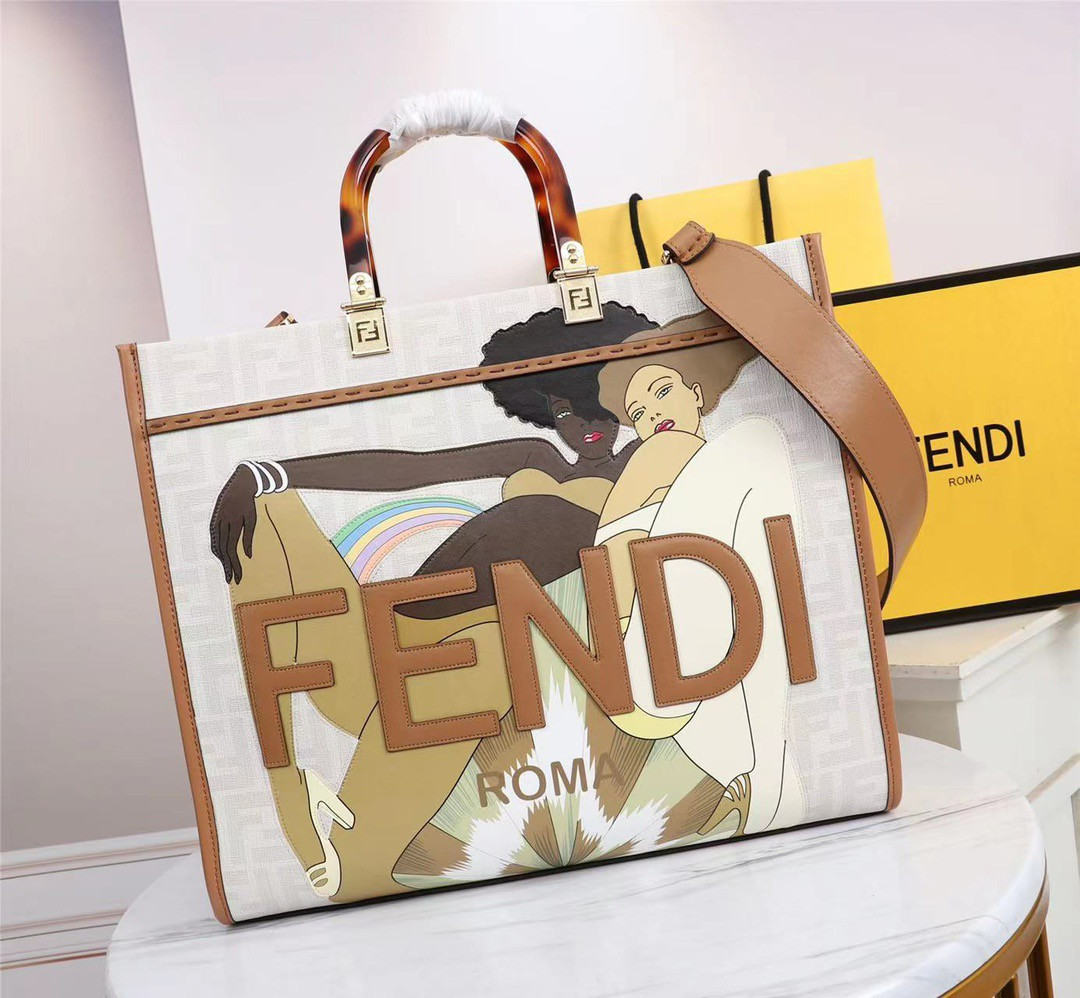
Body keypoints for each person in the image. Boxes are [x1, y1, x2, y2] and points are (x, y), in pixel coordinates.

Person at [211, 304, 663, 902]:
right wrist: (267, 472)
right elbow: (416, 470)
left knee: (484, 647)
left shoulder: (648, 462)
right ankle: (290, 789)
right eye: (562, 409)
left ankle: (353, 843)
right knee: (265, 508)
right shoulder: (537, 458)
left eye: (595, 402)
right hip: (391, 649)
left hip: (482, 669)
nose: (584, 423)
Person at [591, 324, 806, 837]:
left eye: (661, 392)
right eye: (638, 414)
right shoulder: (664, 454)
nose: (652, 416)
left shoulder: (707, 477)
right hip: (650, 659)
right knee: (760, 435)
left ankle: (750, 788)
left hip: (678, 679)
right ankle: (770, 781)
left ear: (696, 393)